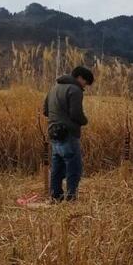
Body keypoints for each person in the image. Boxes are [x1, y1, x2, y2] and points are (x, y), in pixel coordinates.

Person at [42, 66, 94, 202]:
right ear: (80, 77)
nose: (85, 86)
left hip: (53, 133)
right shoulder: (75, 90)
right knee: (74, 167)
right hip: (68, 134)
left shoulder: (53, 88)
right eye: (86, 82)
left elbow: (45, 111)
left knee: (57, 168)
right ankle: (71, 199)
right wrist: (84, 121)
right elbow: (76, 114)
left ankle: (55, 197)